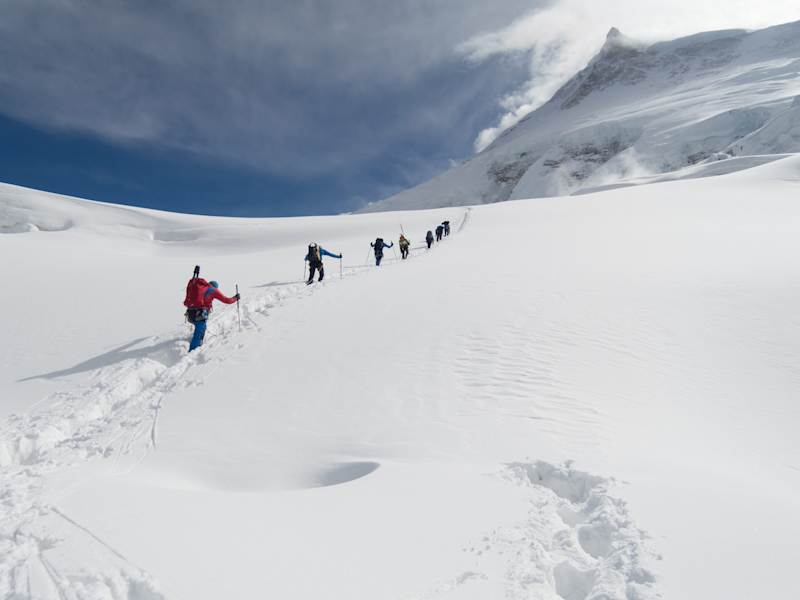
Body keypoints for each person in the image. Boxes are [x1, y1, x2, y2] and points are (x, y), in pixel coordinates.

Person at [184, 280, 240, 352]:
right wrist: (235, 298)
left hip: (190, 313)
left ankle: (198, 345)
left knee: (202, 328)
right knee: (198, 333)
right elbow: (226, 300)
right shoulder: (213, 290)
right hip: (199, 315)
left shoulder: (201, 288)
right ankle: (192, 352)